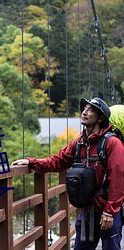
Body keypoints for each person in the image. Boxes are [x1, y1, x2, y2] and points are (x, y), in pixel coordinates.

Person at [12, 97, 124, 250]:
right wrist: (31, 162)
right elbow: (58, 161)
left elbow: (118, 178)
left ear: (101, 118)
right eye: (84, 109)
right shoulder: (79, 143)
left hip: (107, 210)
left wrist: (110, 212)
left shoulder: (112, 143)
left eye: (90, 110)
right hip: (87, 211)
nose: (84, 112)